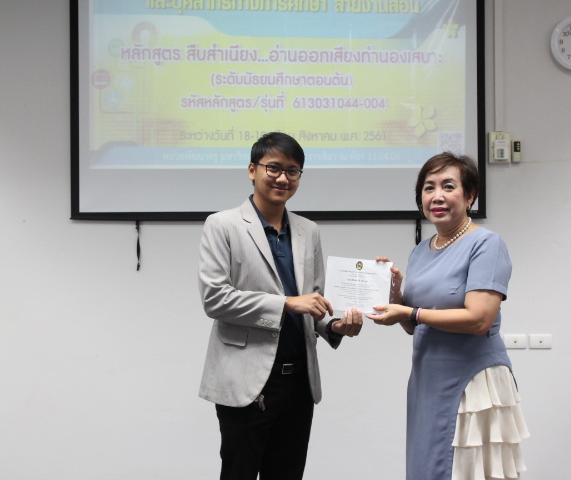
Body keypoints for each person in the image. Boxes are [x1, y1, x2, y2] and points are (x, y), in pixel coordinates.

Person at [198, 132, 363, 480]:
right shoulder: (222, 225)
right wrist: (287, 303)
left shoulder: (308, 230)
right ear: (252, 170)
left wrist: (334, 326)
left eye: (293, 171)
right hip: (246, 381)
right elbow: (215, 298)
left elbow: (313, 302)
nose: (283, 178)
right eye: (273, 168)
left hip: (299, 382)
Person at [367, 152, 529, 480]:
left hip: (472, 381)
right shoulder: (421, 250)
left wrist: (410, 310)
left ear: (470, 196)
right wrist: (394, 295)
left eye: (448, 186)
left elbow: (479, 319)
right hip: (427, 380)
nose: (437, 196)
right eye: (429, 188)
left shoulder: (486, 243)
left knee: (466, 471)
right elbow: (413, 325)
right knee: (427, 467)